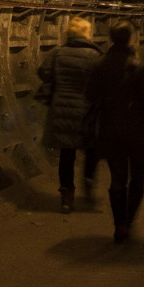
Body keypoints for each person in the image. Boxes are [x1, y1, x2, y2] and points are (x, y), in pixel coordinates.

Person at [86, 20, 144, 243]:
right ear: (129, 39)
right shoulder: (136, 66)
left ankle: (119, 223)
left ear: (112, 39)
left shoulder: (100, 64)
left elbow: (90, 95)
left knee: (117, 178)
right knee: (138, 178)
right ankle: (129, 221)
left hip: (111, 131)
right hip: (137, 133)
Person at [38, 16, 102, 213]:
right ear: (87, 33)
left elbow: (43, 72)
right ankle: (89, 184)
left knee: (67, 155)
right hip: (86, 111)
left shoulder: (58, 53)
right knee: (92, 150)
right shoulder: (94, 55)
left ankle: (66, 198)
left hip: (62, 110)